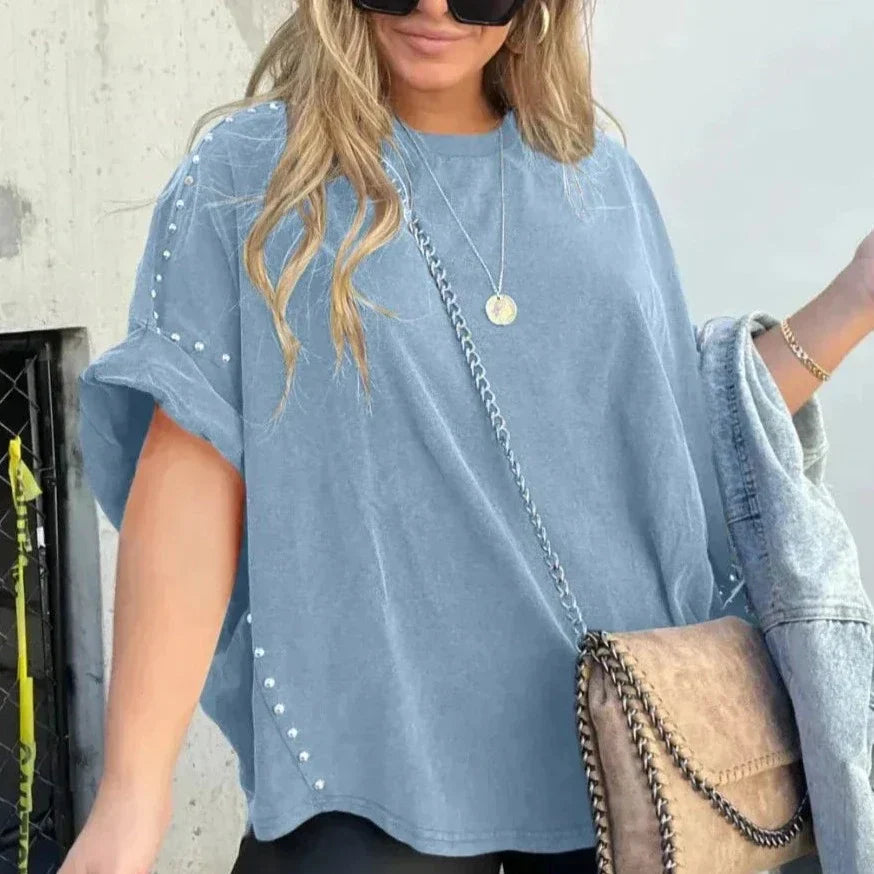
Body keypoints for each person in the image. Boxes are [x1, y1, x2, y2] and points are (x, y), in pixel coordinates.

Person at [61, 0, 874, 869]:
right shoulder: (255, 175)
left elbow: (675, 444)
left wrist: (856, 299)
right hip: (374, 785)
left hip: (638, 783)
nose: (436, 8)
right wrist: (132, 797)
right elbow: (194, 468)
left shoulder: (599, 180)